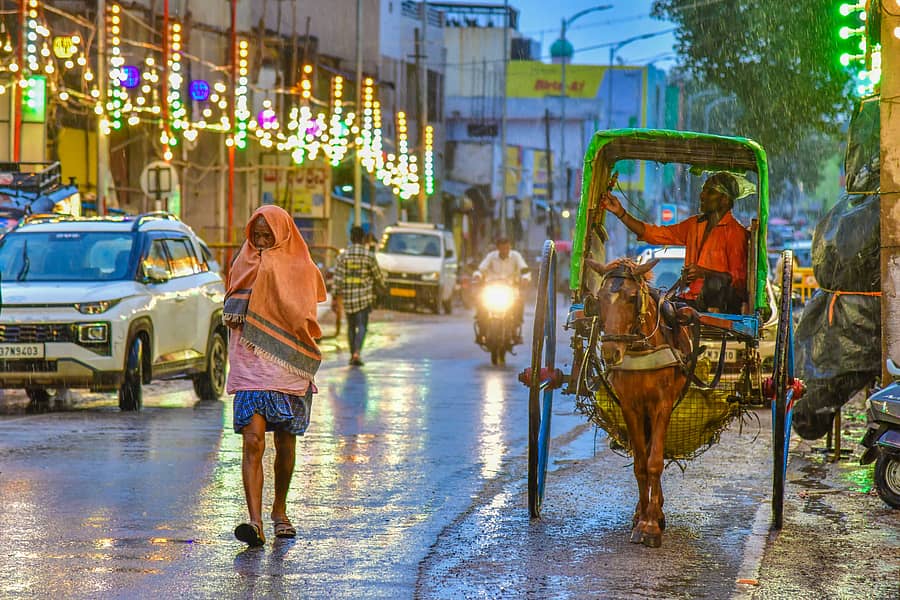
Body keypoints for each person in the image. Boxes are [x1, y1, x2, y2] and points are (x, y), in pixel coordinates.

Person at [223, 205, 327, 547]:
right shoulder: (242, 263)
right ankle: (254, 522)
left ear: (283, 233)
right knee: (252, 441)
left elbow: (306, 317)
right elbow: (232, 314)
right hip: (251, 367)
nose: (263, 242)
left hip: (288, 367)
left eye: (269, 236)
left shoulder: (303, 267)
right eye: (257, 236)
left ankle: (279, 511)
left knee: (285, 443)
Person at [598, 171, 750, 313]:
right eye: (703, 190)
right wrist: (620, 213)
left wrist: (703, 273)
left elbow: (738, 282)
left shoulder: (736, 233)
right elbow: (655, 234)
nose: (702, 195)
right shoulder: (693, 225)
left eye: (709, 191)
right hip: (688, 301)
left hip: (718, 306)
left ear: (724, 199)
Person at [332, 225, 386, 366]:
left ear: (351, 238)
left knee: (351, 326)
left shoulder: (343, 256)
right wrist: (383, 288)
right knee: (362, 325)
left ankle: (352, 355)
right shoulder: (369, 256)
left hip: (349, 298)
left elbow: (337, 279)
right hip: (364, 298)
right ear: (363, 239)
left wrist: (334, 298)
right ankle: (357, 353)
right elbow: (378, 277)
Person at [474, 237, 530, 343]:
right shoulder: (491, 257)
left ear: (510, 247)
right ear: (498, 248)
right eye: (502, 248)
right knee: (481, 304)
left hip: (510, 289)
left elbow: (524, 270)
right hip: (492, 288)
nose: (505, 250)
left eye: (507, 248)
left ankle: (515, 329)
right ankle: (482, 331)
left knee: (518, 303)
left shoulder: (516, 256)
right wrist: (477, 276)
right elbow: (481, 269)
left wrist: (525, 279)